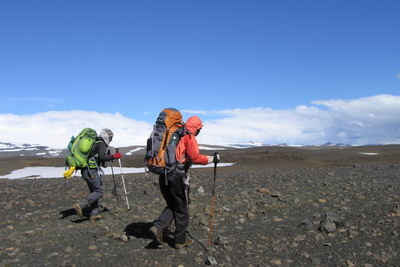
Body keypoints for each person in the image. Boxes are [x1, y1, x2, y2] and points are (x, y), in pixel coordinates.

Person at [149, 116, 220, 249]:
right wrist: (211, 159)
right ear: (197, 128)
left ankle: (158, 226)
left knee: (172, 203)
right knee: (182, 209)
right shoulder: (188, 137)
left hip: (164, 174)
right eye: (199, 128)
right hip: (176, 177)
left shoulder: (174, 134)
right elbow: (195, 157)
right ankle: (179, 241)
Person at [72, 128, 121, 220]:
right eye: (110, 137)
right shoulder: (101, 144)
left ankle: (94, 214)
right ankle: (81, 205)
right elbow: (102, 157)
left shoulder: (96, 143)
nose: (111, 139)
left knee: (94, 192)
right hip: (91, 171)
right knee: (99, 191)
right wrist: (114, 156)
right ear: (105, 136)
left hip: (86, 171)